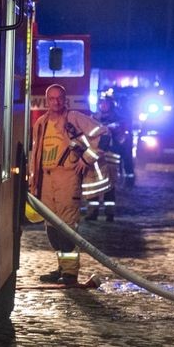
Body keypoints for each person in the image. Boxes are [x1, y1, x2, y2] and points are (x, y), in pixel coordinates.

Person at [30, 83, 102, 285]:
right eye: (52, 98)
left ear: (65, 99)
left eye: (59, 98)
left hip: (67, 177)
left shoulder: (75, 118)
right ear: (47, 101)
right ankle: (61, 268)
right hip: (46, 178)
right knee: (52, 227)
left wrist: (86, 158)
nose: (56, 102)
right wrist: (33, 181)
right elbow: (35, 155)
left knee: (67, 227)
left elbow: (101, 134)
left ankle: (70, 273)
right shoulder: (41, 123)